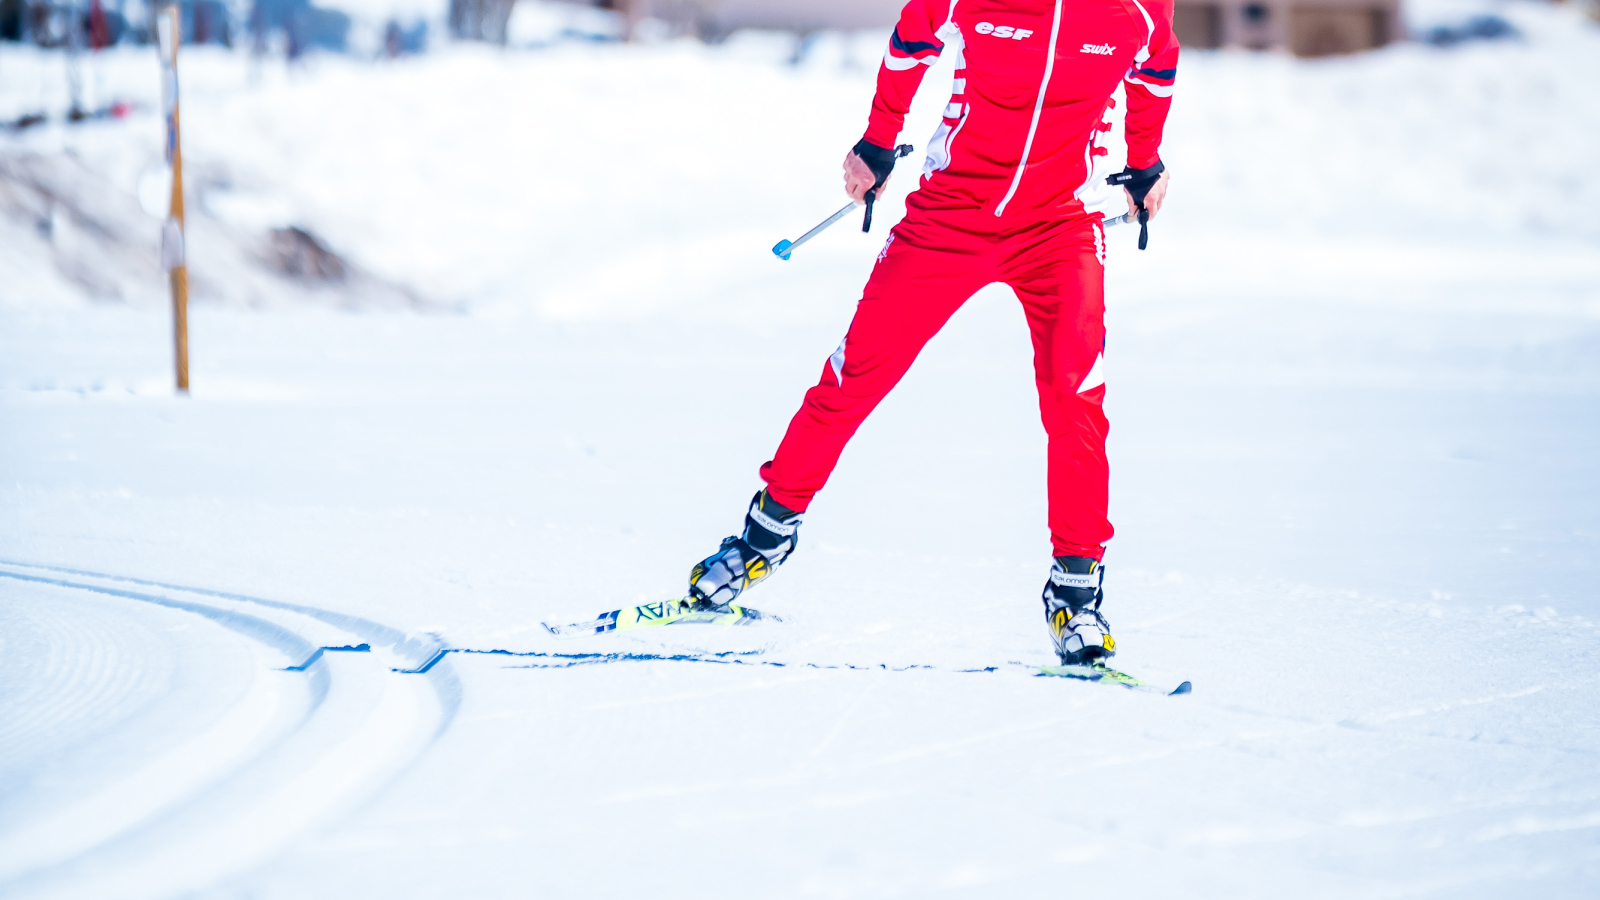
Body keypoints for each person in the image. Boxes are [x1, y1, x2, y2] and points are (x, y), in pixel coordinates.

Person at [688, 0, 1177, 666]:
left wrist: (1144, 164)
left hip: (1060, 228)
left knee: (1075, 403)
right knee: (853, 378)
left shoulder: (1140, 7)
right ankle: (760, 540)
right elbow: (911, 41)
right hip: (949, 218)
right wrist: (877, 143)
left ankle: (1076, 595)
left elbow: (1157, 70)